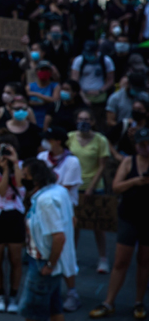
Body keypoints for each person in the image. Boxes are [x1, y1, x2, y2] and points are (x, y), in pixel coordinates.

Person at [89, 127, 149, 321]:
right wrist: (136, 182)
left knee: (144, 261)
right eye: (141, 145)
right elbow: (116, 187)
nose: (145, 148)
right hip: (129, 216)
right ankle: (109, 301)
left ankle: (139, 301)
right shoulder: (128, 162)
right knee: (121, 261)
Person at [19, 159, 77, 321]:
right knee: (55, 306)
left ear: (36, 179)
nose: (23, 179)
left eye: (25, 176)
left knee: (31, 312)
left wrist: (50, 265)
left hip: (42, 262)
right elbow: (72, 220)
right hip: (54, 260)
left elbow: (59, 237)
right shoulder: (59, 191)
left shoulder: (46, 201)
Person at [36, 125, 83, 312]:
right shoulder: (41, 158)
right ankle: (49, 290)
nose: (45, 142)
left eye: (49, 139)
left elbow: (64, 189)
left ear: (58, 141)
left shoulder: (72, 162)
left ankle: (72, 292)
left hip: (63, 212)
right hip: (42, 210)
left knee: (65, 251)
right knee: (44, 249)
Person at [68, 108, 112, 275]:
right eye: (80, 118)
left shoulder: (100, 140)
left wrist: (92, 187)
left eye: (87, 119)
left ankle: (103, 258)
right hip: (74, 187)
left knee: (98, 225)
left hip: (94, 187)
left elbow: (102, 166)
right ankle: (72, 256)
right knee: (74, 224)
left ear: (93, 122)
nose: (83, 122)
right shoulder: (70, 137)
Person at [0, 135, 26, 314]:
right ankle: (0, 294)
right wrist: (3, 169)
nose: (4, 153)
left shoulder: (21, 166)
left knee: (16, 259)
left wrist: (15, 164)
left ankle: (15, 294)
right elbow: (1, 190)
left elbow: (20, 184)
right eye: (1, 149)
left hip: (16, 214)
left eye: (8, 149)